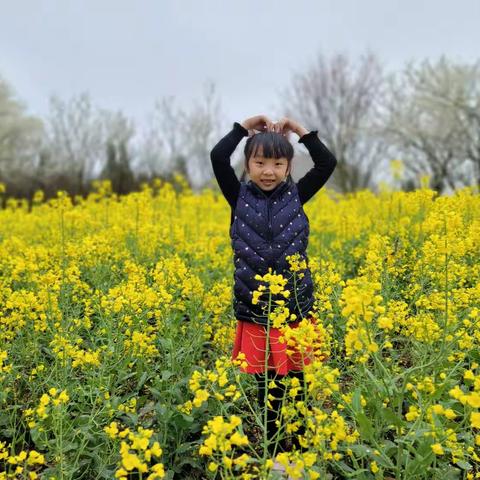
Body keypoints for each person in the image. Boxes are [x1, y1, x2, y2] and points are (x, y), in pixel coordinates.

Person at [210, 114, 337, 468]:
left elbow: (327, 162)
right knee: (267, 388)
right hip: (256, 309)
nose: (268, 170)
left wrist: (300, 131)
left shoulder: (298, 194)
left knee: (296, 382)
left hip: (295, 307)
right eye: (260, 162)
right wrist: (242, 129)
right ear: (248, 165)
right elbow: (218, 158)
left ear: (288, 167)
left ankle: (299, 450)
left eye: (277, 163)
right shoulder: (237, 196)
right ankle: (276, 454)